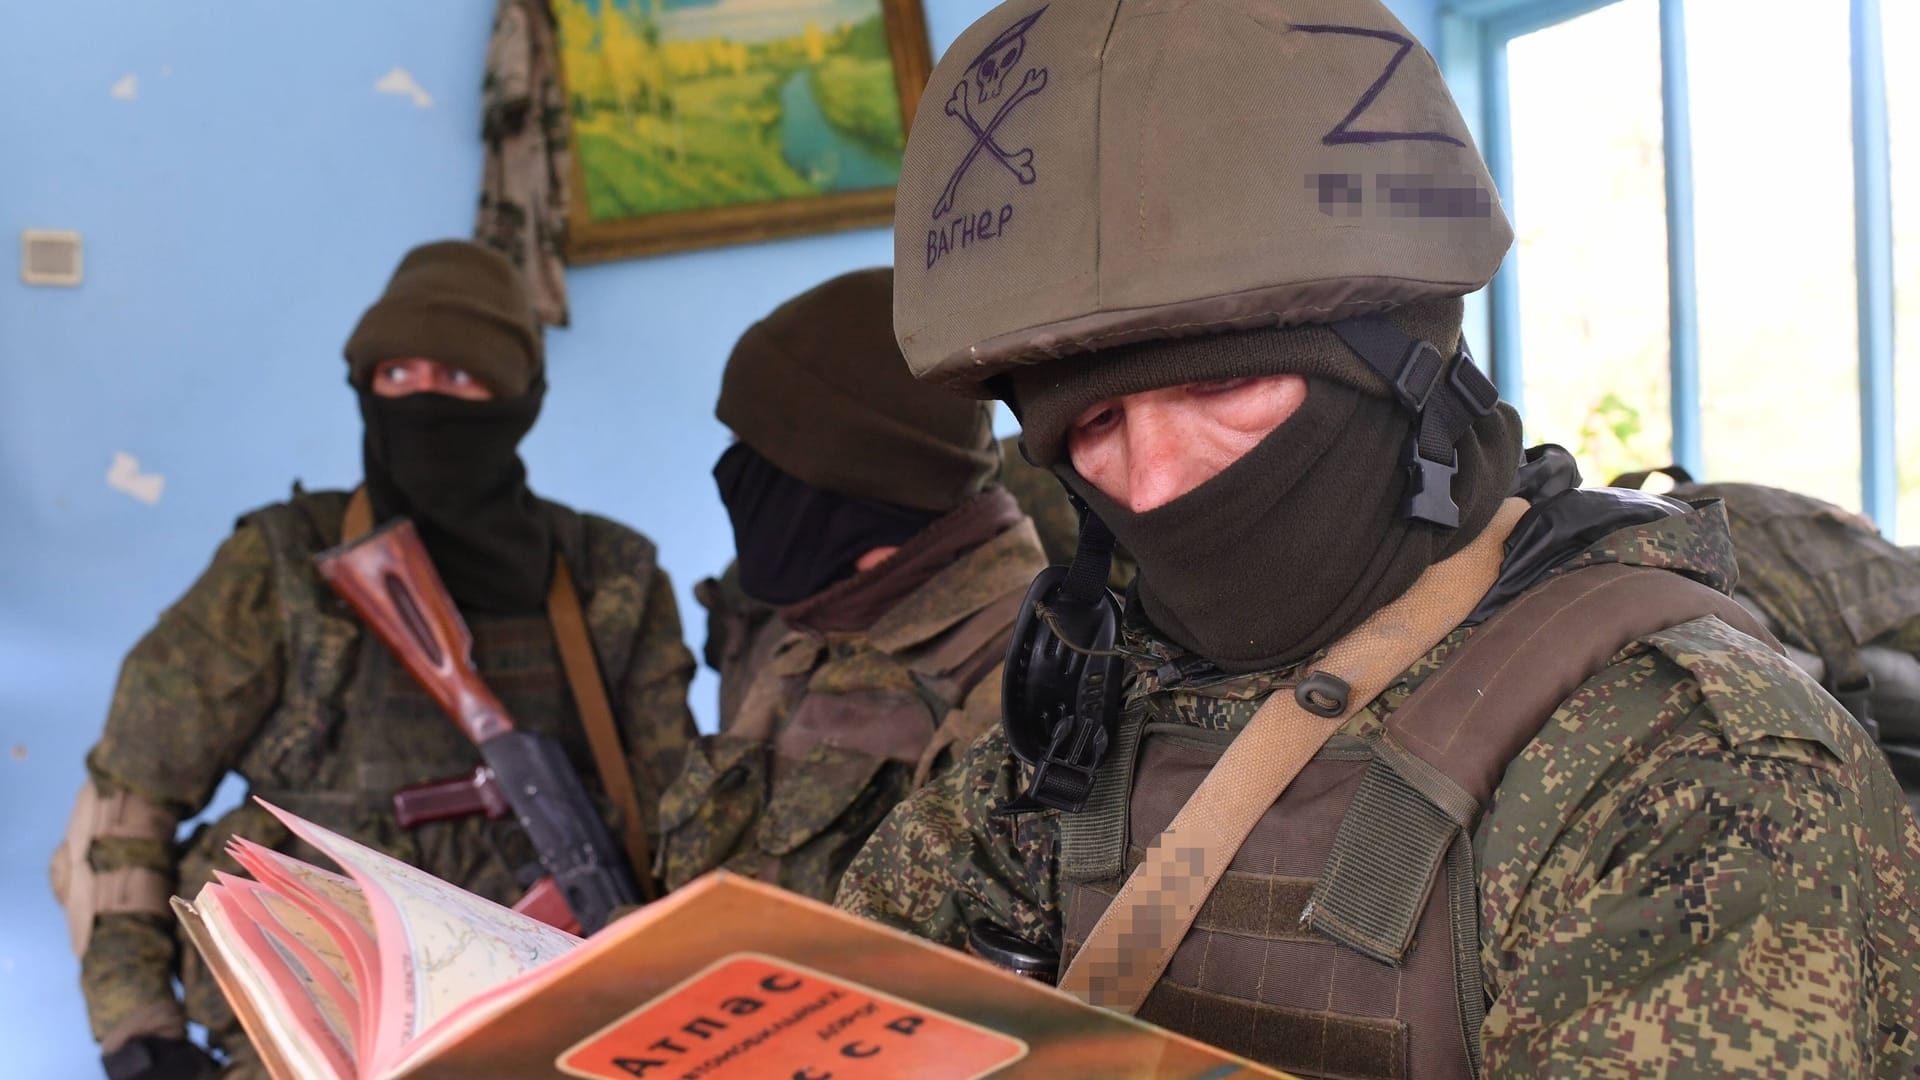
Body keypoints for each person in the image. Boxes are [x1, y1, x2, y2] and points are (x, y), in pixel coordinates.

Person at [836, 2, 1920, 1075]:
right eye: (1097, 423)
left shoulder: (1688, 764)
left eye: (1222, 384)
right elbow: (849, 1005)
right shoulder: (1093, 713)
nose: (1155, 482)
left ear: (1406, 368)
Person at [51, 241, 698, 1079]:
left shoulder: (609, 575)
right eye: (398, 375)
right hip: (310, 1030)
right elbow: (122, 809)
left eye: (460, 379)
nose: (424, 400)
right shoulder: (284, 566)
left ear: (519, 400)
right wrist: (138, 1030)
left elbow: (684, 819)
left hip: (555, 1022)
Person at [662, 267, 1048, 902]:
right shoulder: (824, 627)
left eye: (749, 445)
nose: (730, 470)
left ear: (849, 475)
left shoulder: (1022, 686)